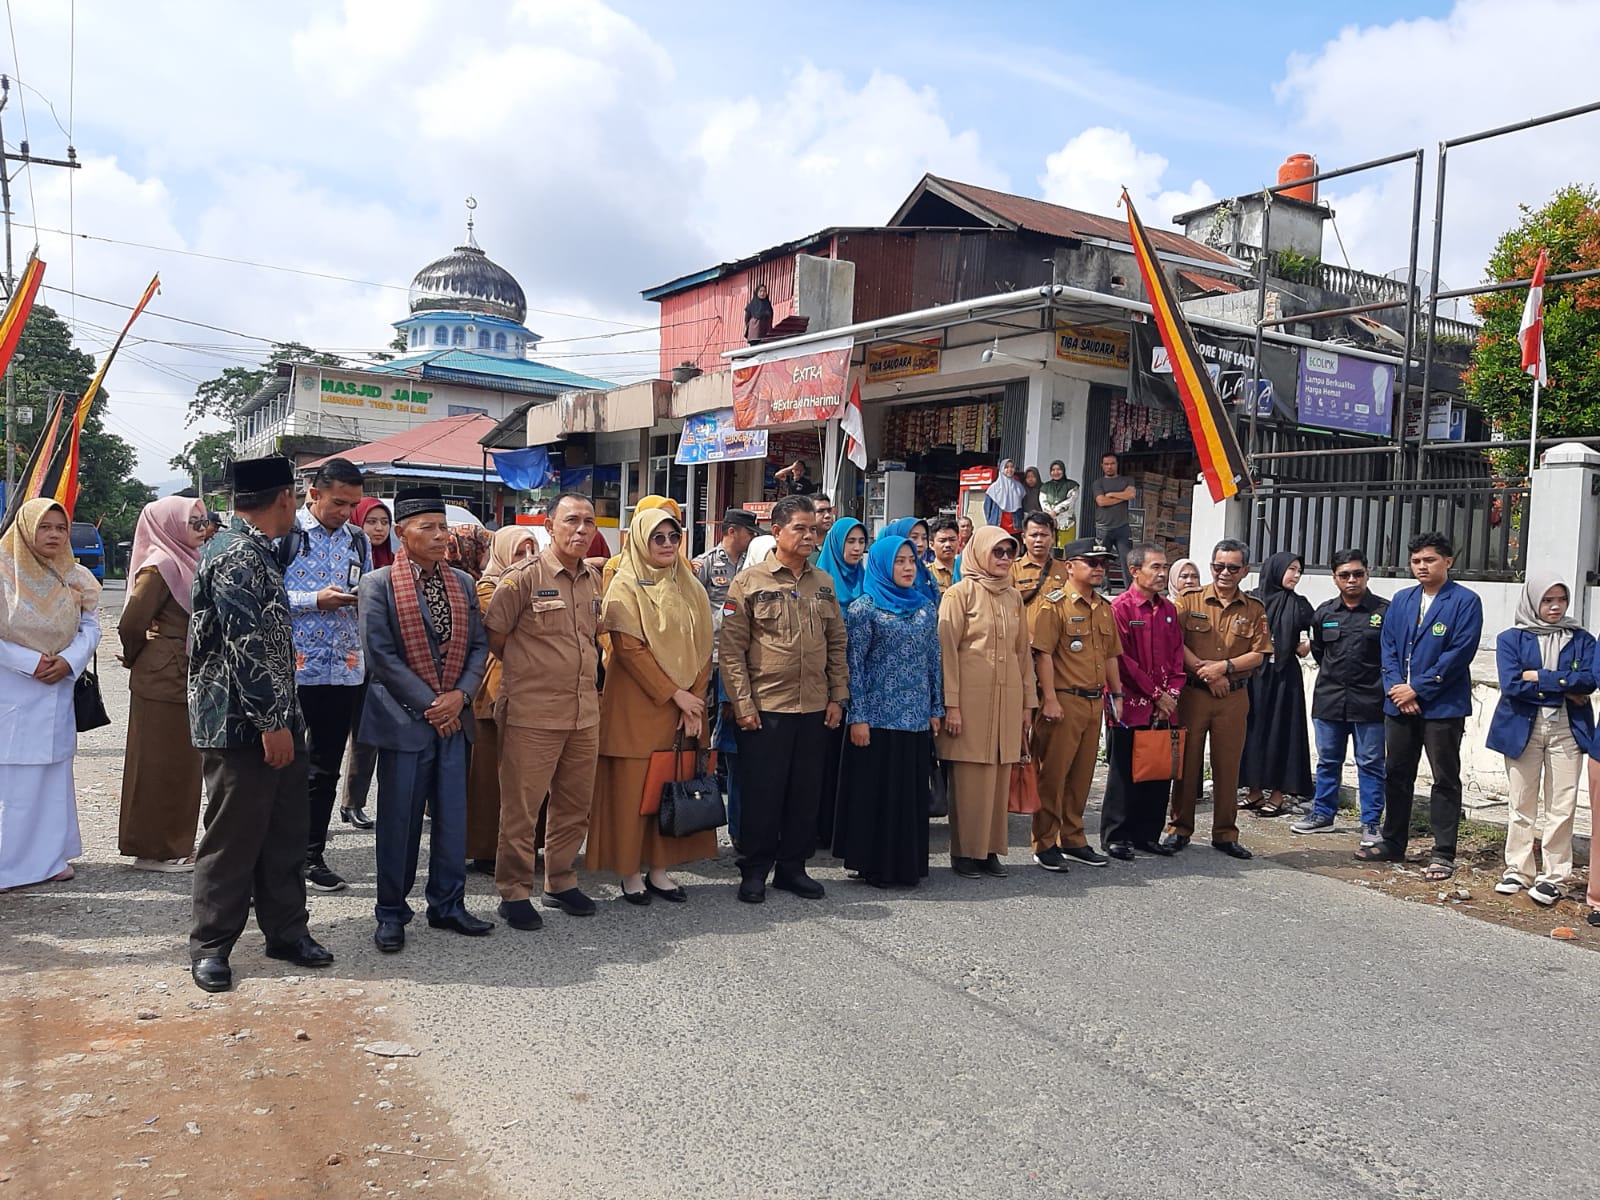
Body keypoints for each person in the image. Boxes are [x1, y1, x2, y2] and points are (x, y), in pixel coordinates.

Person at [188, 456, 332, 993]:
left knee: (286, 834)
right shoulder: (238, 555)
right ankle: (212, 946)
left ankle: (286, 932)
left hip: (277, 719)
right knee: (233, 838)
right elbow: (244, 647)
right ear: (286, 500)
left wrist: (287, 722)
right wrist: (274, 723)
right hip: (237, 724)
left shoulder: (261, 551)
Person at [359, 486, 493, 952]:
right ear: (401, 533)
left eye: (444, 528)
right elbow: (381, 655)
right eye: (428, 528)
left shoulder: (462, 583)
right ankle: (391, 912)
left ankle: (448, 905)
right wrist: (431, 704)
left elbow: (480, 645)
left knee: (453, 817)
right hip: (403, 721)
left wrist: (460, 696)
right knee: (399, 822)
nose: (440, 537)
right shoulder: (377, 585)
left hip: (454, 719)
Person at [719, 495, 848, 903]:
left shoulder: (823, 583)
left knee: (805, 792)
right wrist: (742, 705)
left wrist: (837, 697)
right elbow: (731, 650)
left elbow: (836, 644)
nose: (811, 536)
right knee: (763, 793)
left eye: (814, 529)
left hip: (813, 706)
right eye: (801, 528)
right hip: (766, 708)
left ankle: (793, 868)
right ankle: (755, 869)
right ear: (776, 532)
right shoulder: (749, 581)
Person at [486, 493, 606, 926]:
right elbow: (496, 637)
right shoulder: (523, 578)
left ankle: (560, 881)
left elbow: (592, 637)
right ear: (550, 526)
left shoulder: (593, 579)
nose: (581, 530)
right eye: (571, 521)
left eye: (588, 522)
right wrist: (533, 671)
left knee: (574, 805)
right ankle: (515, 891)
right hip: (532, 713)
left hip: (583, 712)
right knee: (522, 807)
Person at [589, 508, 717, 904]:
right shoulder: (625, 583)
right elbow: (629, 649)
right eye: (657, 537)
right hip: (639, 703)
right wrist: (674, 694)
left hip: (685, 706)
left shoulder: (690, 584)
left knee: (671, 783)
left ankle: (660, 870)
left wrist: (693, 699)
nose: (666, 545)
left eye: (673, 537)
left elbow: (704, 646)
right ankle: (629, 873)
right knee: (633, 792)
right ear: (641, 540)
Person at [1355, 533, 1483, 881]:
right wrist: (1398, 689)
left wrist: (1418, 690)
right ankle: (1394, 841)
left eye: (1429, 560)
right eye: (1416, 561)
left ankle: (1443, 852)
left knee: (1444, 777)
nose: (1422, 567)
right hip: (1399, 704)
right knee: (1396, 773)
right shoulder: (1402, 599)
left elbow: (1458, 653)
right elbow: (1389, 647)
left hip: (1442, 707)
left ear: (1447, 562)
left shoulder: (1465, 601)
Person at [0, 498, 101, 892]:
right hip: (14, 688)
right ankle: (11, 866)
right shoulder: (4, 573)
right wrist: (30, 662)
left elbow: (91, 626)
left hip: (59, 687)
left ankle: (51, 859)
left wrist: (70, 661)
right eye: (45, 527)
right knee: (15, 785)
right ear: (27, 529)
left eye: (61, 527)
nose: (55, 534)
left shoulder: (75, 576)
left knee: (54, 777)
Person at [284, 457, 373, 892]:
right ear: (313, 493)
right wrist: (313, 599)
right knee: (281, 767)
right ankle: (270, 858)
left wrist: (361, 599)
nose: (345, 512)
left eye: (352, 504)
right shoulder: (287, 535)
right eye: (338, 502)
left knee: (325, 768)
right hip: (294, 669)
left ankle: (310, 856)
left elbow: (370, 586)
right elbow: (263, 595)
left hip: (345, 669)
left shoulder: (357, 539)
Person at [835, 535, 943, 887]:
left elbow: (933, 661)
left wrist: (935, 707)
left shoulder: (926, 608)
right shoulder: (864, 609)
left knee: (909, 794)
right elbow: (855, 666)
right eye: (899, 561)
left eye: (912, 560)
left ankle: (906, 865)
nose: (909, 568)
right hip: (877, 719)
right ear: (882, 564)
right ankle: (875, 865)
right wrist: (858, 716)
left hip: (914, 718)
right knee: (878, 793)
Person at [937, 526, 1038, 879]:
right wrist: (951, 705)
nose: (1006, 559)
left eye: (1010, 552)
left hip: (1007, 699)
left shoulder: (1013, 597)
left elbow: (1022, 653)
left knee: (999, 776)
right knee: (969, 779)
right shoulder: (958, 594)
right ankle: (965, 852)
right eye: (998, 552)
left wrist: (1028, 702)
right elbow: (946, 653)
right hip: (969, 701)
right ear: (979, 552)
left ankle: (991, 850)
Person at [1486, 575, 1594, 904]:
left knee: (1562, 803)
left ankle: (1555, 876)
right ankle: (1518, 870)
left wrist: (1541, 677)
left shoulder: (1582, 639)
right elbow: (1512, 685)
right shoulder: (1510, 639)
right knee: (1521, 802)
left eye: (1561, 599)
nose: (1555, 606)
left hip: (1567, 728)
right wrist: (1564, 687)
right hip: (1523, 726)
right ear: (1533, 601)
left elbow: (1589, 681)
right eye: (1547, 600)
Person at [1162, 538, 1272, 859]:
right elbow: (1174, 641)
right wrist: (1204, 671)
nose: (1224, 573)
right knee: (1186, 763)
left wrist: (1223, 668)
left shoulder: (1254, 609)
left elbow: (1258, 654)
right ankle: (1179, 828)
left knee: (1227, 767)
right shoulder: (1189, 600)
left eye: (1232, 568)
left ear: (1245, 571)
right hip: (1194, 695)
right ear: (1211, 566)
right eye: (1218, 566)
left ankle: (1225, 833)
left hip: (1232, 698)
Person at [117, 495, 208, 872]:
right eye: (194, 522)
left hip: (183, 672)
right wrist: (141, 654)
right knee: (158, 763)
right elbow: (131, 623)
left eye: (204, 521)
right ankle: (155, 849)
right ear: (170, 524)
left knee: (183, 763)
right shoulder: (161, 565)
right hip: (163, 674)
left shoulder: (188, 562)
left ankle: (173, 842)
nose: (202, 530)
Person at [1029, 537, 1123, 871]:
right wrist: (1050, 699)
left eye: (1103, 563)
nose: (1099, 568)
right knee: (1053, 775)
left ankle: (1074, 837)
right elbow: (1043, 655)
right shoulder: (1053, 604)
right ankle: (1044, 842)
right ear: (1069, 566)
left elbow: (1111, 654)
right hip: (1064, 700)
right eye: (1091, 562)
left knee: (1082, 775)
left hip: (1094, 701)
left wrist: (1117, 694)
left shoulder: (1104, 607)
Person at [1292, 550, 1389, 839]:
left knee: (1371, 763)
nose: (1352, 580)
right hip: (1330, 699)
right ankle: (1323, 814)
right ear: (1334, 578)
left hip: (1371, 700)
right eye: (1344, 575)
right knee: (1328, 761)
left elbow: (1392, 655)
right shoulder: (1324, 613)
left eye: (1357, 574)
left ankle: (1370, 822)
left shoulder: (1384, 612)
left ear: (1367, 575)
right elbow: (1320, 652)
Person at [465, 526, 540, 874]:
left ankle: (528, 845)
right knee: (490, 776)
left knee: (529, 773)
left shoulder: (540, 583)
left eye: (532, 552)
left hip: (535, 686)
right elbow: (509, 632)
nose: (527, 561)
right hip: (496, 688)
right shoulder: (487, 587)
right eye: (519, 553)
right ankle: (485, 849)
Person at [1102, 543, 1184, 859]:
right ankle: (1116, 835)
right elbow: (1122, 660)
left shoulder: (1168, 610)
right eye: (1156, 567)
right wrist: (1155, 694)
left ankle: (1147, 834)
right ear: (1135, 571)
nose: (1162, 573)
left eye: (1165, 567)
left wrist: (1172, 694)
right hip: (1131, 704)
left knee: (1159, 769)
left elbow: (1177, 654)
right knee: (1124, 772)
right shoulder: (1120, 608)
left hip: (1165, 705)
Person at [1239, 551, 1315, 817]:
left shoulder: (1299, 604)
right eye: (1291, 569)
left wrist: (1304, 645)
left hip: (1284, 680)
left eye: (1299, 571)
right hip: (1253, 677)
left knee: (1282, 733)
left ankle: (1278, 795)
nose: (1296, 576)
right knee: (1252, 731)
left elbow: (1311, 637)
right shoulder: (1251, 599)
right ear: (1276, 569)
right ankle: (1254, 791)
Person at [813, 516, 869, 849]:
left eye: (862, 543)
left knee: (852, 760)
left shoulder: (869, 580)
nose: (857, 549)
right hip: (825, 684)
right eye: (850, 542)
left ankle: (844, 828)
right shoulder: (821, 582)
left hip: (860, 686)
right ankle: (818, 827)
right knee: (823, 758)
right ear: (836, 544)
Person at [342, 497, 393, 817]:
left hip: (376, 658)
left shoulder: (396, 562)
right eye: (371, 522)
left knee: (366, 733)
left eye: (384, 522)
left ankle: (353, 802)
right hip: (341, 654)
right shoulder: (348, 553)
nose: (378, 529)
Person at [693, 508, 759, 662]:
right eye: (749, 532)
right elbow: (692, 603)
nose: (753, 537)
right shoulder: (706, 563)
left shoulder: (752, 562)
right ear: (732, 531)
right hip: (714, 649)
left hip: (743, 647)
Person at [1010, 511, 1070, 629]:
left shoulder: (1065, 570)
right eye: (1033, 535)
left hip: (1057, 640)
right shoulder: (1012, 570)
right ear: (1023, 538)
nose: (1039, 540)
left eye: (1044, 535)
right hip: (1025, 641)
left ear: (1052, 537)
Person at [1088, 453, 1136, 588]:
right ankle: (1104, 588)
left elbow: (1131, 494)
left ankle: (1130, 589)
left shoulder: (1127, 480)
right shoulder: (1098, 483)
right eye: (1107, 464)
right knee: (1101, 560)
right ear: (1102, 466)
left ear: (1117, 465)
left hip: (1123, 527)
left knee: (1127, 560)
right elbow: (1101, 501)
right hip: (1103, 527)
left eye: (1112, 463)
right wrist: (1122, 497)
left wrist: (1112, 494)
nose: (1110, 467)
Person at [877, 517, 938, 604]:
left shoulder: (924, 574)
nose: (920, 543)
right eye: (914, 537)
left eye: (924, 538)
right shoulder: (882, 579)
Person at [1039, 461, 1079, 548]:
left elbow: (1071, 501)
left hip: (1067, 523)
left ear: (1063, 470)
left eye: (1058, 469)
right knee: (1049, 549)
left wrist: (1055, 511)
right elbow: (1043, 502)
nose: (1056, 472)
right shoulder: (1045, 487)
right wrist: (1050, 514)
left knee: (1066, 549)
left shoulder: (1072, 485)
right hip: (1049, 522)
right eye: (1053, 470)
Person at [983, 459, 1026, 531]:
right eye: (1006, 467)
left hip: (1015, 527)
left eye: (1012, 467)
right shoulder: (993, 488)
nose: (1010, 469)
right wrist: (990, 523)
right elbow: (987, 508)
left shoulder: (1019, 487)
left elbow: (1023, 506)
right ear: (1002, 469)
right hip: (998, 526)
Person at [927, 516, 960, 593]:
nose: (948, 544)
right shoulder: (927, 574)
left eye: (952, 540)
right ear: (931, 545)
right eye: (942, 541)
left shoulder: (966, 570)